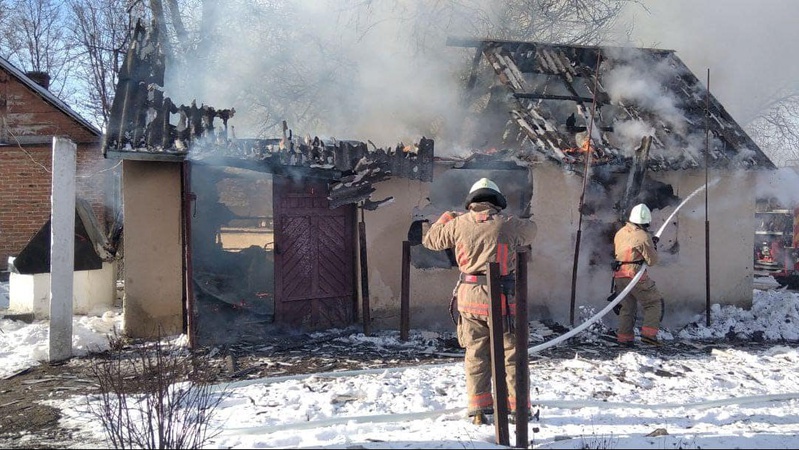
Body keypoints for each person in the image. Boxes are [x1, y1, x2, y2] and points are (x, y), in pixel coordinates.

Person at [422, 178, 537, 425]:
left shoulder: (458, 224)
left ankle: (479, 410)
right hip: (503, 299)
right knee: (512, 355)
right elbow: (532, 231)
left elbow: (430, 240)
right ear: (497, 202)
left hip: (469, 299)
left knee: (476, 354)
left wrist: (446, 218)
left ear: (471, 202)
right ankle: (519, 410)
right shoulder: (507, 224)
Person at [612, 203, 665, 347]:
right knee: (654, 302)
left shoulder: (621, 232)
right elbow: (651, 260)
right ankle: (649, 336)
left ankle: (624, 338)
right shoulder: (642, 236)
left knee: (627, 307)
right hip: (634, 275)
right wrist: (652, 245)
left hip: (619, 275)